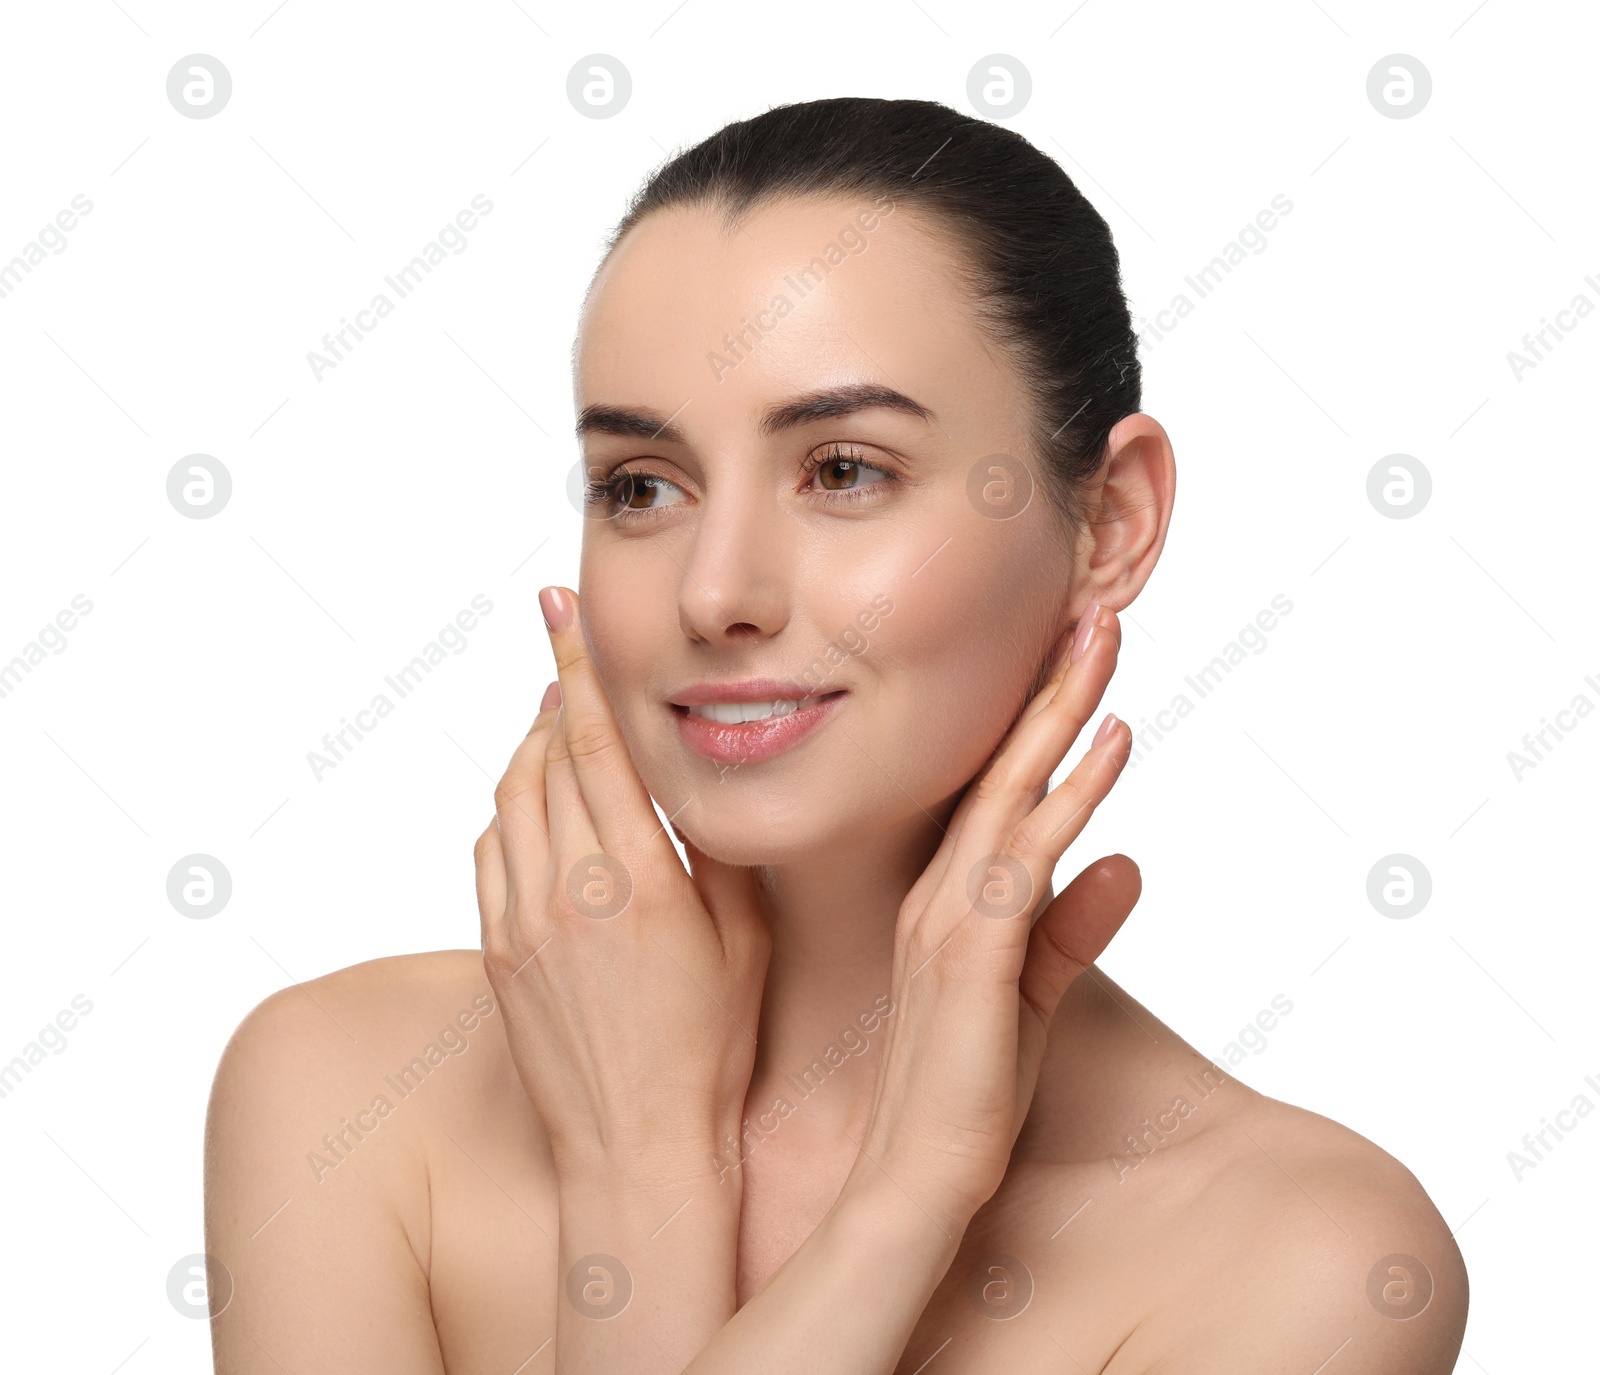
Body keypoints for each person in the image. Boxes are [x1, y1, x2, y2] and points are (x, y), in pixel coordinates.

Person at [204, 96, 1468, 1373]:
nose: (714, 593)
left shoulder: (1308, 1261)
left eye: (843, 470)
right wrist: (650, 1172)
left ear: (1112, 521)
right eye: (642, 486)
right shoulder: (337, 1097)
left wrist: (905, 1196)